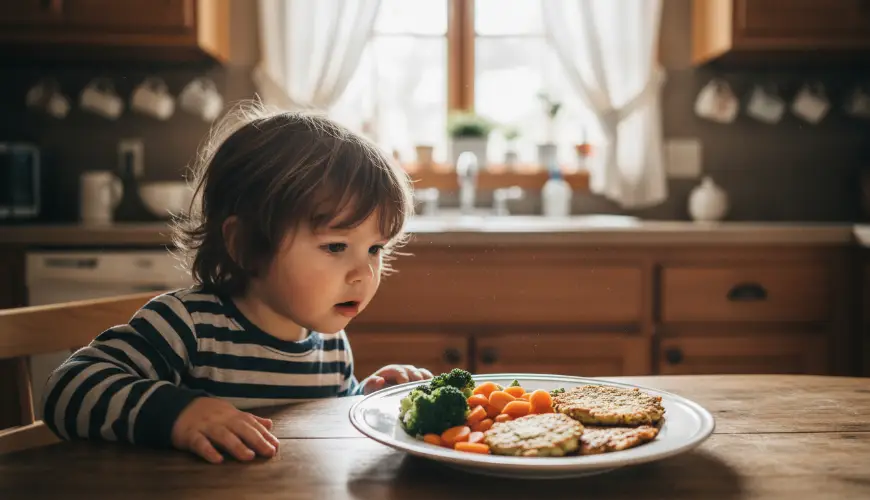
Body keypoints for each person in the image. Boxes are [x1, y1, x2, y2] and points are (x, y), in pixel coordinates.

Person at [41, 101, 433, 464]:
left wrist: (364, 398)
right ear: (245, 245)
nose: (364, 273)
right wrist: (179, 413)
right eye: (335, 246)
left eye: (375, 249)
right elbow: (67, 389)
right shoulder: (189, 326)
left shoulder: (329, 346)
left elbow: (321, 426)